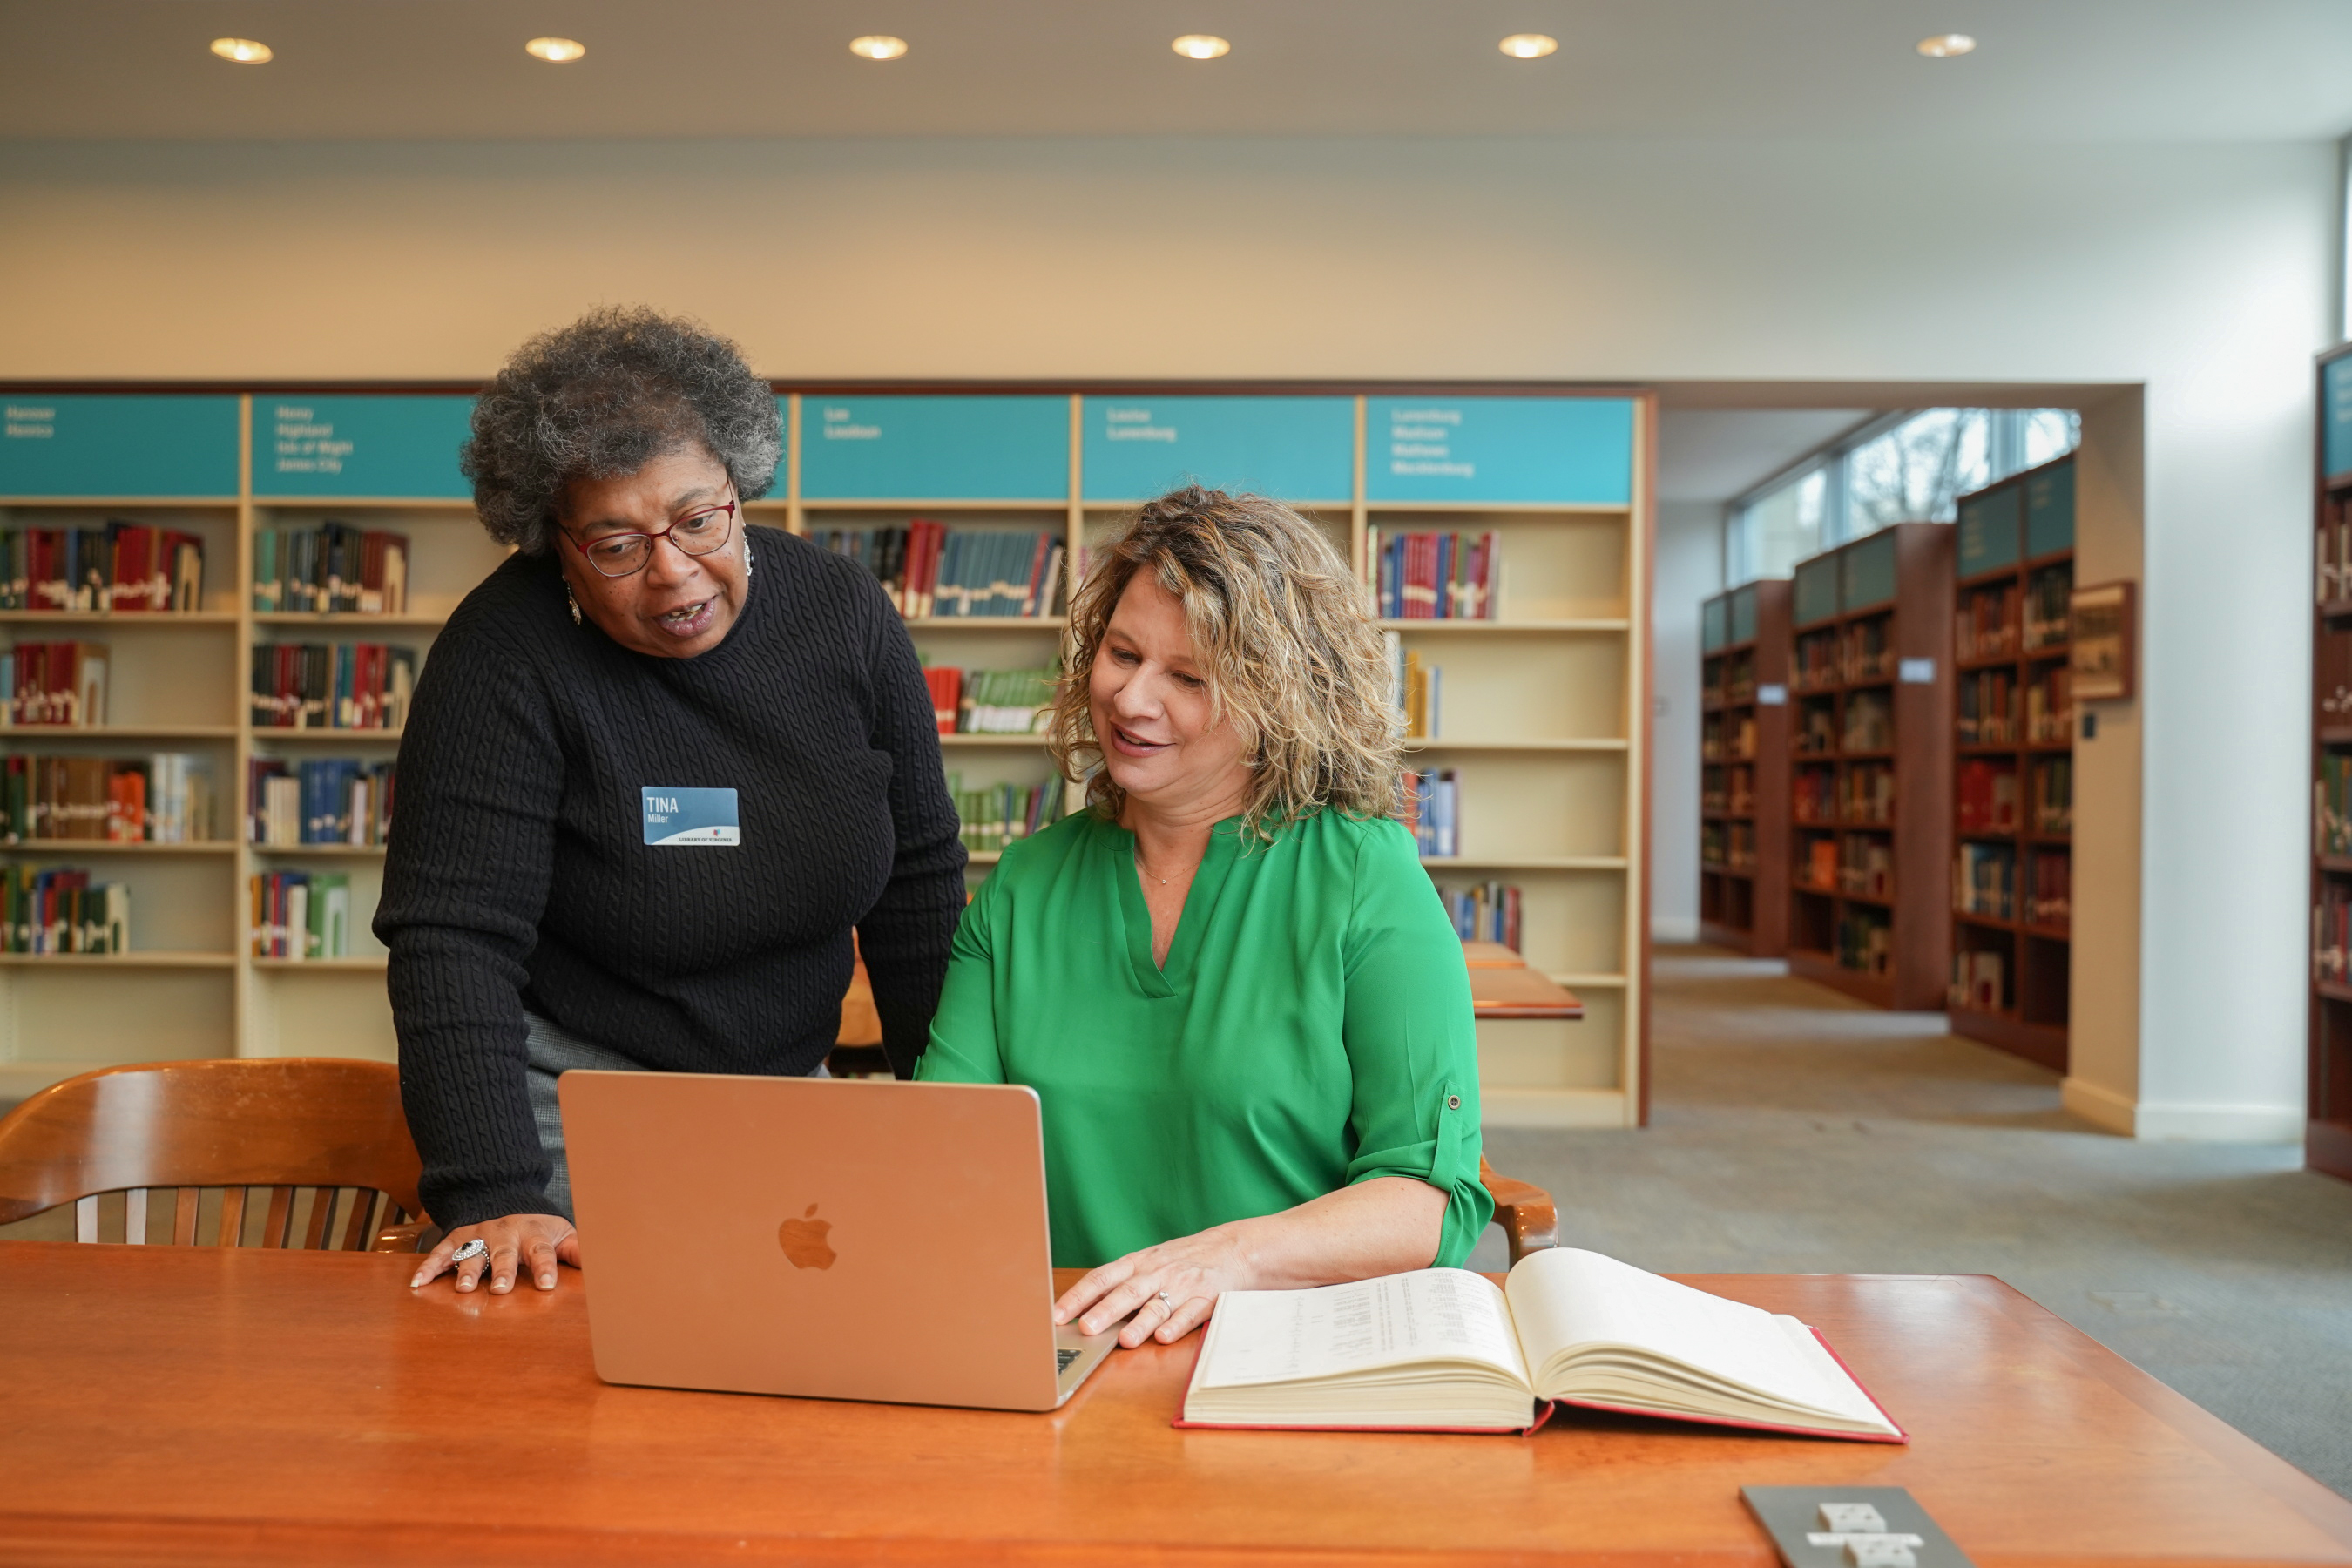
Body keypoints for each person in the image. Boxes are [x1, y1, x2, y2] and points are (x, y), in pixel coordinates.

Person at [378, 307, 965, 1297]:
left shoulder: (844, 616)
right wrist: (494, 1190)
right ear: (552, 546)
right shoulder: (504, 655)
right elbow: (453, 940)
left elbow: (916, 886)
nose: (674, 570)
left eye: (699, 519)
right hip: (577, 1106)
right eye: (616, 544)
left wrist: (948, 1125)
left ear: (740, 487)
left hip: (790, 1092)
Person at [916, 486, 1490, 1350]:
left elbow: (1430, 1198)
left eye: (1188, 678)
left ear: (1282, 701)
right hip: (1063, 1347)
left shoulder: (1366, 876)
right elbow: (939, 1154)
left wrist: (1232, 1260)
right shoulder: (1024, 886)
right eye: (1121, 653)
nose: (1132, 700)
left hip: (1289, 1348)